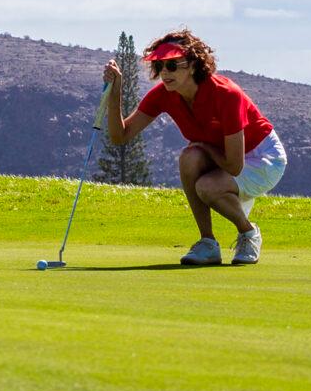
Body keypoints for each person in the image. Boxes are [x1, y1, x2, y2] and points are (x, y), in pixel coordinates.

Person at [101, 29, 289, 266]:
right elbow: (120, 136)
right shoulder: (163, 94)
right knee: (189, 158)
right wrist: (116, 89)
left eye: (172, 65)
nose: (164, 73)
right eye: (160, 66)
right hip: (224, 154)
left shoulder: (227, 94)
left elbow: (234, 164)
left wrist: (205, 148)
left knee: (207, 187)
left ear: (191, 65)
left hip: (263, 157)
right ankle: (208, 243)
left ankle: (248, 233)